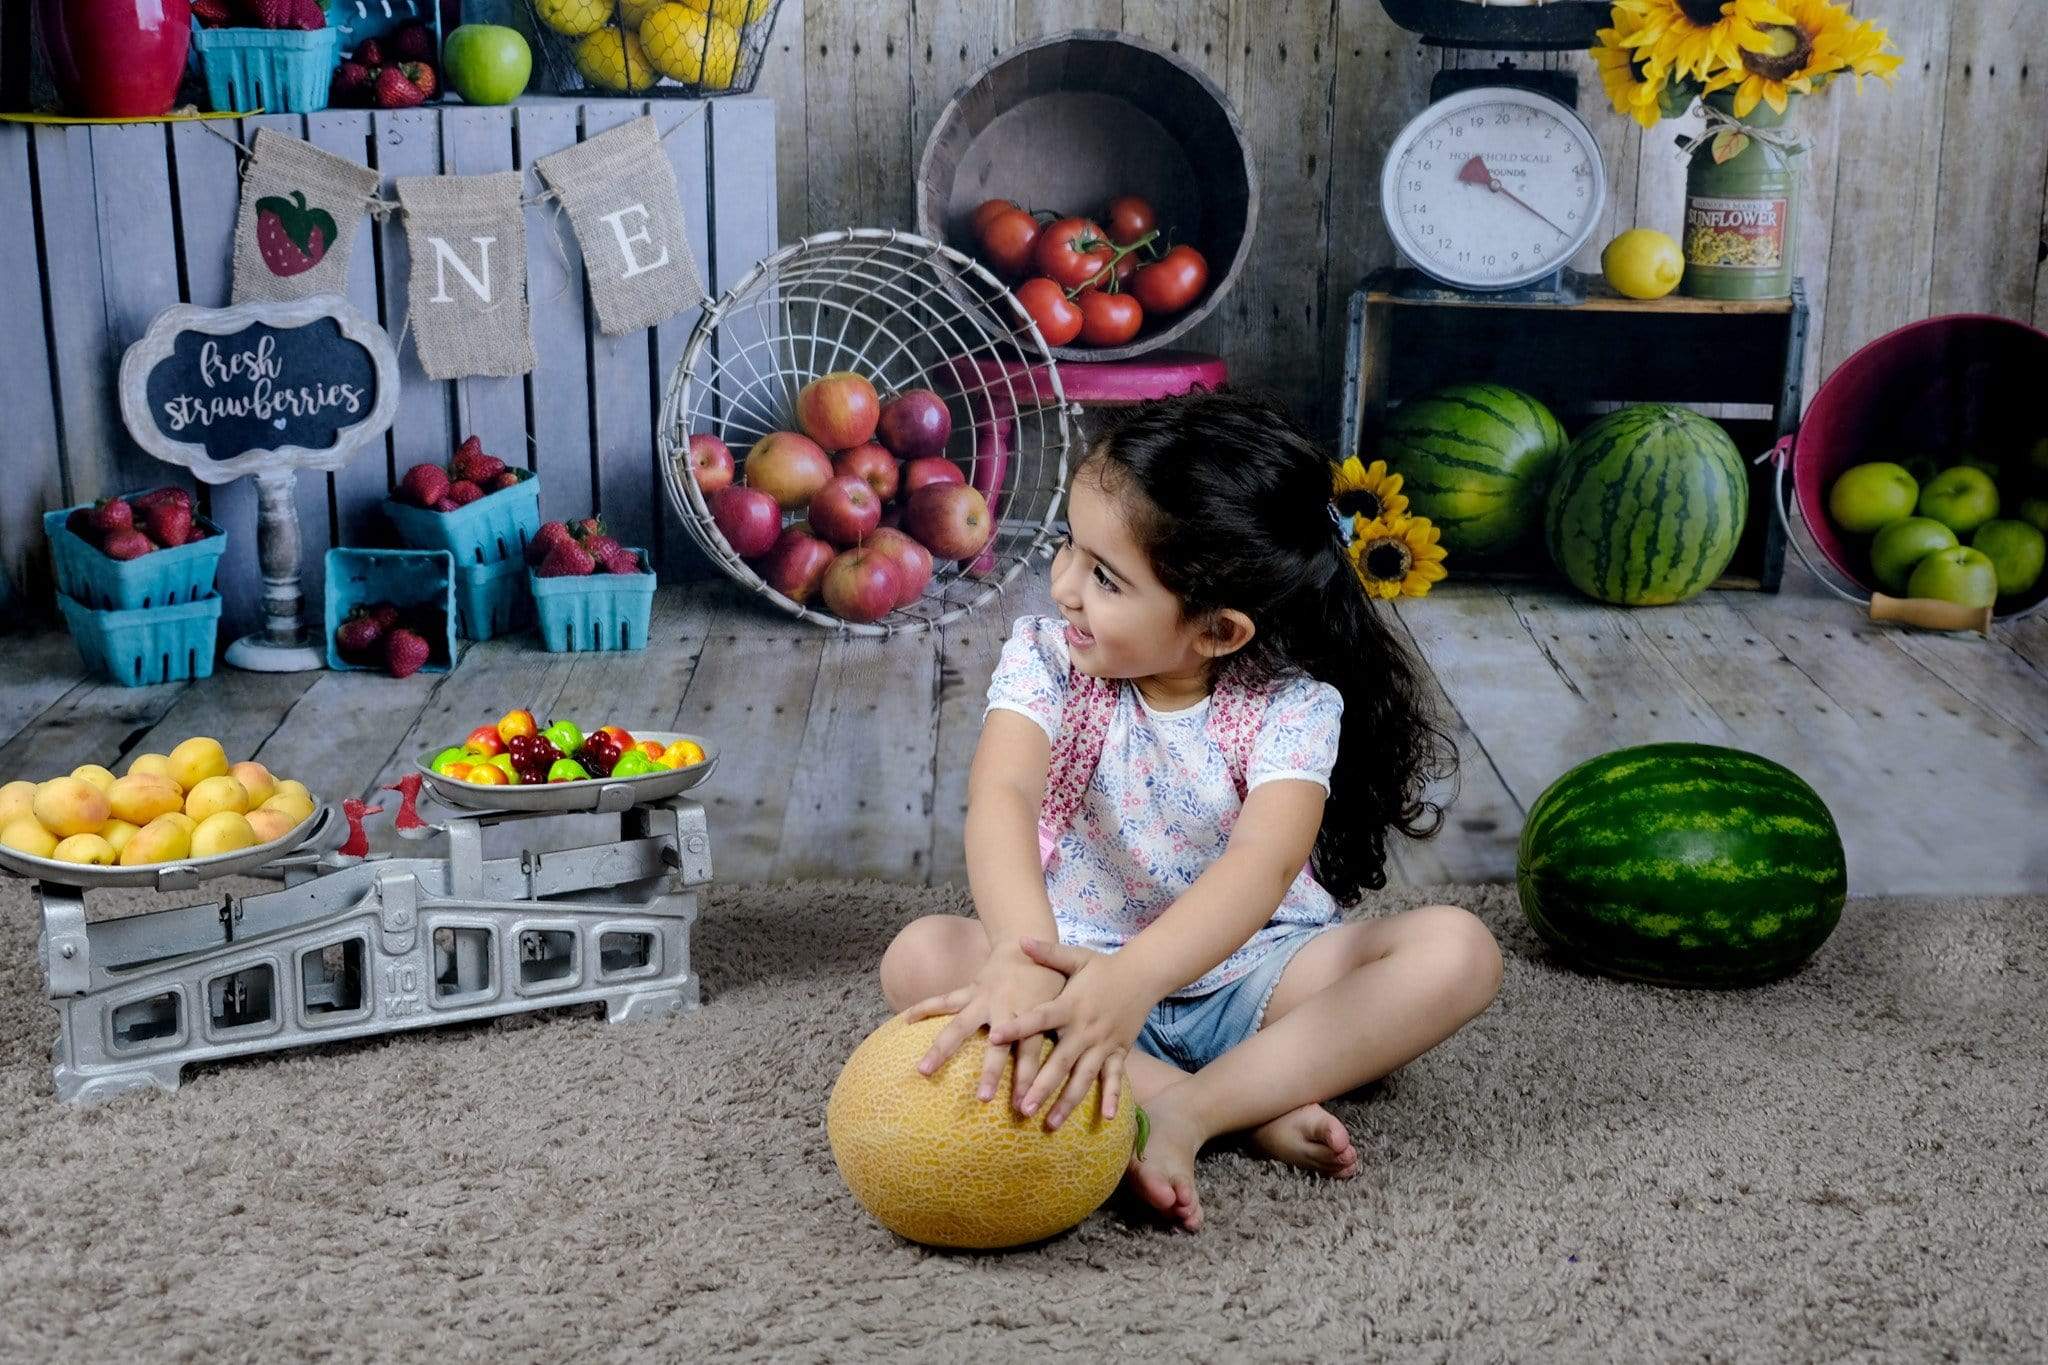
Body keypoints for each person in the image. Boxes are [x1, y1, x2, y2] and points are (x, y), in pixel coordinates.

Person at [877, 389, 1504, 1232]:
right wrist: (1023, 959)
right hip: (1073, 963)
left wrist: (1135, 981)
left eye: (1104, 576)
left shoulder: (1292, 708)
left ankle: (1192, 1112)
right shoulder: (1049, 660)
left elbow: (1263, 865)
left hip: (1254, 976)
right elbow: (1004, 793)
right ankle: (1224, 1101)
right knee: (919, 955)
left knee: (1456, 951)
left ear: (1217, 632)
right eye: (1071, 546)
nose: (1061, 585)